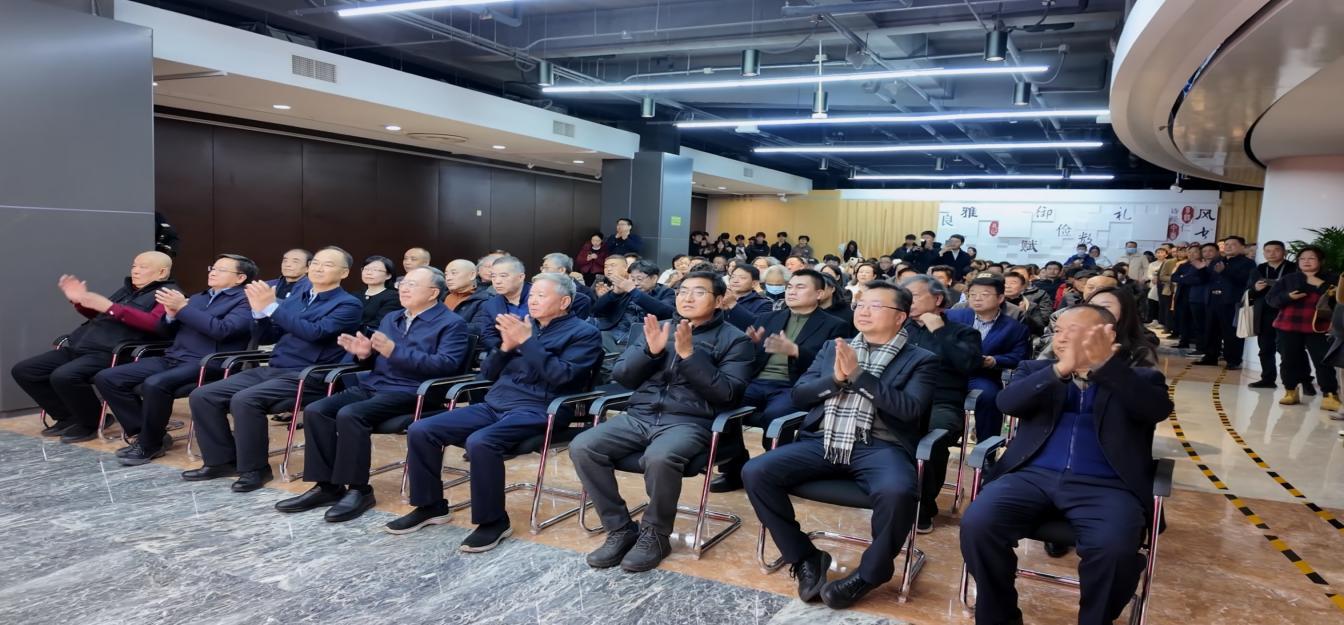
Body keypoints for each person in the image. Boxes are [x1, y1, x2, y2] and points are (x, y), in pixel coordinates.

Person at [960, 305, 1174, 625]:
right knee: (978, 525)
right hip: (1029, 476)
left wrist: (1104, 367)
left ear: (1107, 335)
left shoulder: (1141, 377)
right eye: (1058, 330)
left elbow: (1155, 409)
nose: (1061, 338)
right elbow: (1007, 403)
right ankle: (998, 617)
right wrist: (1060, 370)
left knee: (1115, 550)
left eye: (1073, 331)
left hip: (1107, 485)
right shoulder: (1035, 369)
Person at [743, 283, 938, 609]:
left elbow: (910, 410)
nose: (863, 311)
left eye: (876, 306)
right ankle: (805, 557)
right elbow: (799, 396)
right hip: (823, 440)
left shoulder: (921, 359)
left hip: (881, 447)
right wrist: (835, 380)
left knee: (898, 492)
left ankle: (871, 573)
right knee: (756, 471)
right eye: (861, 304)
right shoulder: (834, 348)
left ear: (900, 317)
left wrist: (858, 376)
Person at [382, 273, 602, 547]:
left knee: (481, 441)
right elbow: (486, 373)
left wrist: (527, 342)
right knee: (421, 429)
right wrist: (505, 348)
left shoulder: (584, 333)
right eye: (532, 295)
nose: (532, 301)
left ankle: (494, 521)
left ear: (564, 302)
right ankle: (431, 506)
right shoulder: (524, 325)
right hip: (496, 403)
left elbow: (562, 376)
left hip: (541, 409)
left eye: (541, 296)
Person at [570, 272, 755, 573]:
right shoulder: (658, 329)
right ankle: (619, 528)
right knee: (583, 446)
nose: (687, 298)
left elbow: (728, 394)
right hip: (640, 416)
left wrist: (690, 356)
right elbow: (622, 376)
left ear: (719, 300)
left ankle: (656, 534)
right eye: (682, 291)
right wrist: (649, 352)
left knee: (660, 456)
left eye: (699, 292)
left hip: (689, 422)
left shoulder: (736, 340)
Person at [275, 266, 471, 522]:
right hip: (375, 385)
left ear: (433, 293)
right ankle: (327, 486)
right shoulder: (392, 318)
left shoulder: (451, 323)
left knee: (351, 414)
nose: (404, 289)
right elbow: (377, 360)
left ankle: (359, 490)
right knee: (316, 410)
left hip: (414, 391)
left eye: (412, 285)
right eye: (403, 284)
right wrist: (364, 354)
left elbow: (446, 365)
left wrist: (394, 351)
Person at [182, 247, 362, 492]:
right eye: (315, 263)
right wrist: (259, 313)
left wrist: (273, 308)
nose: (319, 268)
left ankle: (254, 469)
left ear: (344, 272)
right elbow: (270, 335)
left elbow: (315, 333)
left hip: (310, 374)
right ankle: (221, 460)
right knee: (203, 395)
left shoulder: (348, 304)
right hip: (275, 368)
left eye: (328, 265)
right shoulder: (298, 297)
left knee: (245, 400)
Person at [93, 254, 257, 465]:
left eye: (222, 270)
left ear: (240, 278)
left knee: (155, 384)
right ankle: (148, 433)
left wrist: (183, 309)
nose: (213, 273)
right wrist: (170, 315)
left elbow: (223, 330)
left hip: (208, 362)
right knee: (107, 377)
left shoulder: (245, 300)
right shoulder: (198, 297)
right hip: (174, 356)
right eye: (213, 268)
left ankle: (149, 444)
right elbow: (165, 331)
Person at [12, 251, 176, 443]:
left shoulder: (169, 294)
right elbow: (102, 315)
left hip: (114, 351)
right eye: (134, 266)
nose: (135, 271)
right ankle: (69, 417)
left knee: (64, 376)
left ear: (162, 272)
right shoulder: (127, 290)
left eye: (143, 267)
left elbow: (156, 324)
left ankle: (91, 422)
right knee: (25, 371)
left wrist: (111, 308)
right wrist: (79, 301)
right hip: (83, 344)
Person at [711, 269, 850, 492]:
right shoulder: (769, 318)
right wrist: (749, 344)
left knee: (776, 414)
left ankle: (774, 471)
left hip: (792, 385)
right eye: (790, 287)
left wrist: (795, 350)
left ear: (819, 293)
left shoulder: (834, 324)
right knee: (722, 400)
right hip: (756, 381)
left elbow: (828, 366)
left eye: (800, 287)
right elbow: (750, 356)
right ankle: (735, 468)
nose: (791, 292)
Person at [899, 274, 982, 533]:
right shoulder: (898, 327)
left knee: (931, 439)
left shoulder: (963, 332)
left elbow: (969, 364)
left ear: (937, 299)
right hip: (898, 398)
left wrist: (940, 331)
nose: (908, 301)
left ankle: (922, 506)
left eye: (914, 296)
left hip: (941, 402)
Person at [948, 276, 1031, 442]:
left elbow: (1019, 356)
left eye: (984, 294)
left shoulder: (1015, 328)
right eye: (972, 294)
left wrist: (994, 360)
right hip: (949, 372)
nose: (977, 298)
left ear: (1000, 298)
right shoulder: (952, 316)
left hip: (982, 375)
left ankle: (986, 446)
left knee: (989, 397)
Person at [1268, 246, 1339, 409]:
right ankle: (1290, 391)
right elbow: (1271, 300)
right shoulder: (1288, 278)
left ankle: (1330, 395)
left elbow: (1338, 301)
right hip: (1288, 325)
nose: (1306, 261)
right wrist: (1288, 297)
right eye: (1302, 259)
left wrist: (1320, 284)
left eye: (1311, 258)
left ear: (1320, 261)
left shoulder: (1332, 279)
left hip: (1318, 326)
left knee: (1323, 361)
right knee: (1289, 360)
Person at [1195, 236, 1255, 369]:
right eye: (1226, 244)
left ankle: (1233, 360)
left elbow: (1244, 280)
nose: (1228, 247)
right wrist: (1201, 270)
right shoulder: (1218, 260)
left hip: (1231, 301)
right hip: (1212, 299)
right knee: (1211, 330)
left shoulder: (1247, 263)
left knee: (1230, 332)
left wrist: (1225, 271)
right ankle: (1210, 357)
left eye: (1233, 244)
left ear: (1242, 247)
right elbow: (1205, 280)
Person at [592, 259, 676, 352]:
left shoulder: (666, 292)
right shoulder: (624, 290)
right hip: (614, 333)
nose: (635, 283)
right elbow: (596, 311)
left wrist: (634, 291)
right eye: (632, 279)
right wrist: (614, 294)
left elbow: (666, 312)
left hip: (642, 336)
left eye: (639, 279)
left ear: (654, 278)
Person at [1247, 240, 1297, 388]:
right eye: (1268, 251)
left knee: (1287, 349)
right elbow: (1249, 291)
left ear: (1284, 252)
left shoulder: (1293, 268)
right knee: (1265, 348)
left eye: (1276, 250)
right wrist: (1255, 288)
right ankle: (1267, 379)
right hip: (1264, 314)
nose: (1272, 253)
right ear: (1263, 253)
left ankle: (1295, 381)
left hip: (1287, 312)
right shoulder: (1259, 269)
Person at [1085, 287, 1159, 367]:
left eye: (1105, 307)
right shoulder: (1078, 340)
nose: (1095, 311)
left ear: (1124, 311)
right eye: (1091, 305)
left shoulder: (1140, 351)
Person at [471, 256, 530, 352]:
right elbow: (487, 336)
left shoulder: (538, 297)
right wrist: (505, 348)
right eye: (493, 276)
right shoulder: (491, 304)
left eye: (503, 276)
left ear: (521, 277)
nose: (497, 281)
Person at [1173, 244, 1216, 354]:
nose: (1191, 254)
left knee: (1200, 323)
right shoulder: (1184, 265)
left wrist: (1184, 278)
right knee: (1184, 319)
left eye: (1195, 252)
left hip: (1200, 297)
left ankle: (1201, 347)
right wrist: (1186, 279)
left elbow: (1199, 280)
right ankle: (1185, 341)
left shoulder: (1205, 265)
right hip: (1185, 296)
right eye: (1189, 252)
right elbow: (1174, 277)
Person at [358, 256, 402, 336]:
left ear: (388, 275)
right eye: (366, 269)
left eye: (375, 270)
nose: (369, 273)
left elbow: (380, 325)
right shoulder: (355, 295)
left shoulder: (394, 297)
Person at [540, 253, 592, 319]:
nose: (542, 272)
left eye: (546, 268)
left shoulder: (585, 294)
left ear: (561, 270)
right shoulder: (539, 288)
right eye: (542, 268)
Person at [721, 264, 773, 330]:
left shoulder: (764, 304)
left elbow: (758, 326)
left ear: (754, 283)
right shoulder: (721, 298)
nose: (735, 281)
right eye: (733, 277)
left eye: (742, 278)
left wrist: (733, 304)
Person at [1004, 271, 1051, 336]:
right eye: (1004, 283)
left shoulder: (1030, 306)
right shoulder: (993, 304)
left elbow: (1040, 330)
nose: (1007, 286)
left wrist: (1024, 314)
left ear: (1023, 287)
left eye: (1013, 283)